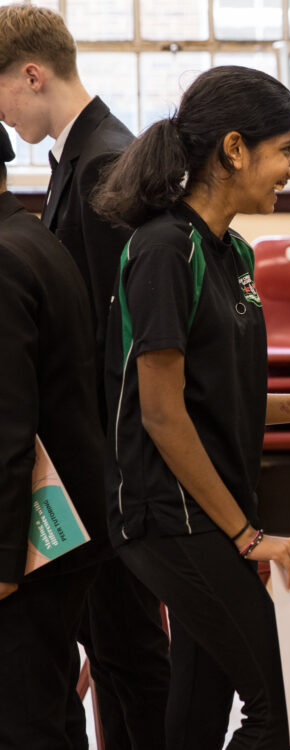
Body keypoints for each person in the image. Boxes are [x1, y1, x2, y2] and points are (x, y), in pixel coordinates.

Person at [92, 65, 290, 749]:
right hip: (168, 519)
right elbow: (162, 415)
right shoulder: (164, 250)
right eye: (283, 149)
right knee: (287, 705)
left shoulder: (235, 254)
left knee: (193, 716)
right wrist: (248, 536)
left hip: (211, 515)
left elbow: (225, 400)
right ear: (233, 148)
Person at [0, 6, 170, 747]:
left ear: (32, 75)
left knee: (131, 660)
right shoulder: (83, 155)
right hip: (98, 466)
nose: (1, 118)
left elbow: (119, 345)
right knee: (111, 658)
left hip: (110, 469)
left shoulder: (103, 162)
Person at [0, 125, 109, 748]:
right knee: (52, 706)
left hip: (30, 547)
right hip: (65, 529)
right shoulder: (31, 236)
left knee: (25, 721)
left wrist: (4, 561)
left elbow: (8, 427)